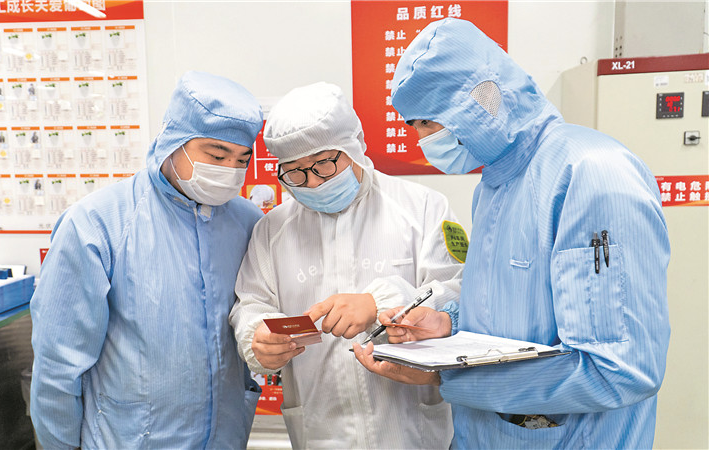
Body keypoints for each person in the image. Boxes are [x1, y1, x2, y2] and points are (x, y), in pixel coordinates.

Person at [353, 18, 670, 449]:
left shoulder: (592, 173)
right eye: (415, 126)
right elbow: (512, 316)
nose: (422, 141)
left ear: (479, 100)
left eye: (429, 123)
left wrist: (445, 378)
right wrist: (447, 323)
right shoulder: (493, 187)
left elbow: (618, 370)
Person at [30, 71, 265, 449]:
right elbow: (59, 363)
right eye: (217, 155)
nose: (228, 171)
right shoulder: (97, 224)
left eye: (241, 159)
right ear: (175, 140)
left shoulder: (248, 223)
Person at [229, 82, 464, 449]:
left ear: (354, 145)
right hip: (321, 431)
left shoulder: (423, 208)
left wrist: (380, 302)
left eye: (324, 163)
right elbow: (252, 304)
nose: (312, 182)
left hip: (412, 430)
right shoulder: (272, 230)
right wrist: (257, 338)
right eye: (295, 172)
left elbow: (457, 295)